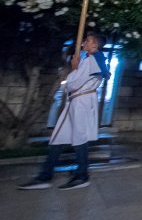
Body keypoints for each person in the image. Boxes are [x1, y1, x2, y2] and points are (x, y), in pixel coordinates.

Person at [18, 33, 110, 190]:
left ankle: (82, 175)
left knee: (79, 137)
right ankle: (45, 176)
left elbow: (73, 84)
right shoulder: (91, 60)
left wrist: (73, 69)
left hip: (81, 101)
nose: (83, 43)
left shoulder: (92, 61)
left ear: (95, 45)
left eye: (87, 41)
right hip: (76, 101)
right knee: (58, 137)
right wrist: (74, 71)